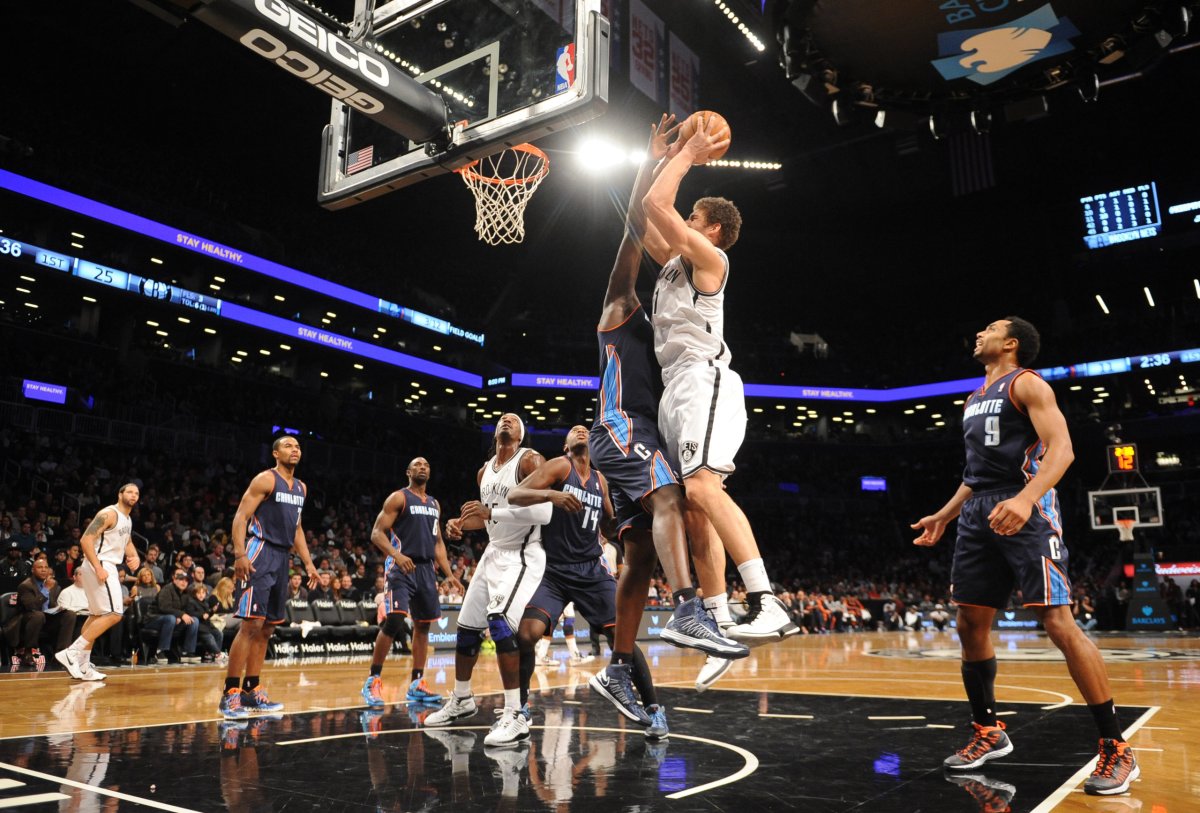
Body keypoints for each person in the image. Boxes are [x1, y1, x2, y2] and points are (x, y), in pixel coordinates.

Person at [911, 316, 1138, 796]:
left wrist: (1027, 499)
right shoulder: (975, 398)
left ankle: (1116, 747)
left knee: (1057, 621)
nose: (978, 333)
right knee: (969, 621)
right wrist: (945, 515)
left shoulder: (1027, 383)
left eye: (989, 329)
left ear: (1011, 343)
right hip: (978, 511)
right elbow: (975, 473)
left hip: (1026, 506)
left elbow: (1062, 450)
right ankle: (989, 731)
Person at [586, 117, 751, 719]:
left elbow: (665, 243)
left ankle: (620, 670)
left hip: (645, 434)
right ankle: (687, 606)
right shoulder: (620, 307)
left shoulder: (669, 327)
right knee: (670, 500)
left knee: (639, 558)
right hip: (621, 426)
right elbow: (637, 229)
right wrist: (652, 163)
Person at [641, 113, 798, 689]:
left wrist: (687, 153)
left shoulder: (712, 261)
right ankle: (719, 619)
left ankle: (767, 599)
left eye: (692, 218)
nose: (684, 220)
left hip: (704, 380)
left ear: (710, 230)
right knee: (690, 507)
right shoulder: (675, 265)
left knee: (706, 489)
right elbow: (645, 211)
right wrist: (653, 155)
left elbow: (660, 208)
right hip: (675, 386)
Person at [510, 425, 667, 738]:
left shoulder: (601, 480)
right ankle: (520, 709)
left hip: (591, 571)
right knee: (526, 635)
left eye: (586, 429)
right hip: (555, 572)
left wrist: (637, 525)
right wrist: (550, 494)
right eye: (575, 431)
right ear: (567, 444)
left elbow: (609, 526)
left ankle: (654, 710)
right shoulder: (560, 466)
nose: (581, 430)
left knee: (621, 639)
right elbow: (515, 494)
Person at [423, 414, 548, 747]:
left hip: (523, 555)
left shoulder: (530, 461)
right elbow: (486, 520)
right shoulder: (483, 470)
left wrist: (490, 514)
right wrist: (461, 525)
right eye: (502, 419)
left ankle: (515, 713)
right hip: (493, 552)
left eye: (514, 420)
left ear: (521, 435)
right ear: (494, 432)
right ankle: (462, 699)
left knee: (501, 624)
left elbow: (544, 513)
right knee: (466, 628)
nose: (507, 420)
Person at [219, 434, 320, 719]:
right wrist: (240, 555)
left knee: (267, 628)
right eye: (288, 446)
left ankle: (252, 690)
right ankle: (230, 694)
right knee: (251, 624)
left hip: (282, 557)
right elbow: (240, 517)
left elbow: (297, 529)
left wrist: (309, 564)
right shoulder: (265, 479)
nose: (295, 450)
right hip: (259, 551)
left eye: (298, 446)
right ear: (276, 453)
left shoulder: (301, 487)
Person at [361, 456, 463, 710]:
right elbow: (376, 533)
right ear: (408, 472)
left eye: (427, 465)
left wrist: (449, 574)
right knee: (394, 619)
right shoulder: (399, 498)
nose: (423, 467)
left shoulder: (434, 504)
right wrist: (396, 555)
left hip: (426, 569)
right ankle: (373, 679)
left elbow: (438, 542)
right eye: (417, 465)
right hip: (400, 566)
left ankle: (417, 682)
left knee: (424, 626)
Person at [54, 484, 142, 681]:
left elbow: (126, 541)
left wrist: (134, 555)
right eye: (129, 492)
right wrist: (98, 567)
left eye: (137, 493)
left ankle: (84, 667)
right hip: (101, 563)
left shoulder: (127, 519)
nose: (133, 495)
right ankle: (71, 653)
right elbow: (85, 540)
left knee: (96, 615)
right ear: (120, 494)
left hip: (101, 564)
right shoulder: (109, 513)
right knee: (114, 614)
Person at [5, 558, 75, 671]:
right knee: (38, 615)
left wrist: (58, 609)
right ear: (33, 570)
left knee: (70, 615)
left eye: (46, 567)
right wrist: (46, 589)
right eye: (40, 567)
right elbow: (31, 607)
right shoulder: (25, 585)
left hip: (46, 619)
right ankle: (28, 652)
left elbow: (52, 605)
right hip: (27, 621)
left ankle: (60, 654)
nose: (43, 570)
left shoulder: (54, 584)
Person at [151, 568, 201, 663]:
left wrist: (180, 615)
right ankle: (160, 651)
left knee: (194, 620)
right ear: (174, 580)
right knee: (171, 619)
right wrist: (180, 615)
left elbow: (187, 609)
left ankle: (187, 652)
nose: (184, 582)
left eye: (186, 581)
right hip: (154, 618)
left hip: (173, 619)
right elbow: (163, 607)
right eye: (181, 580)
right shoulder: (167, 589)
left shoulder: (186, 593)